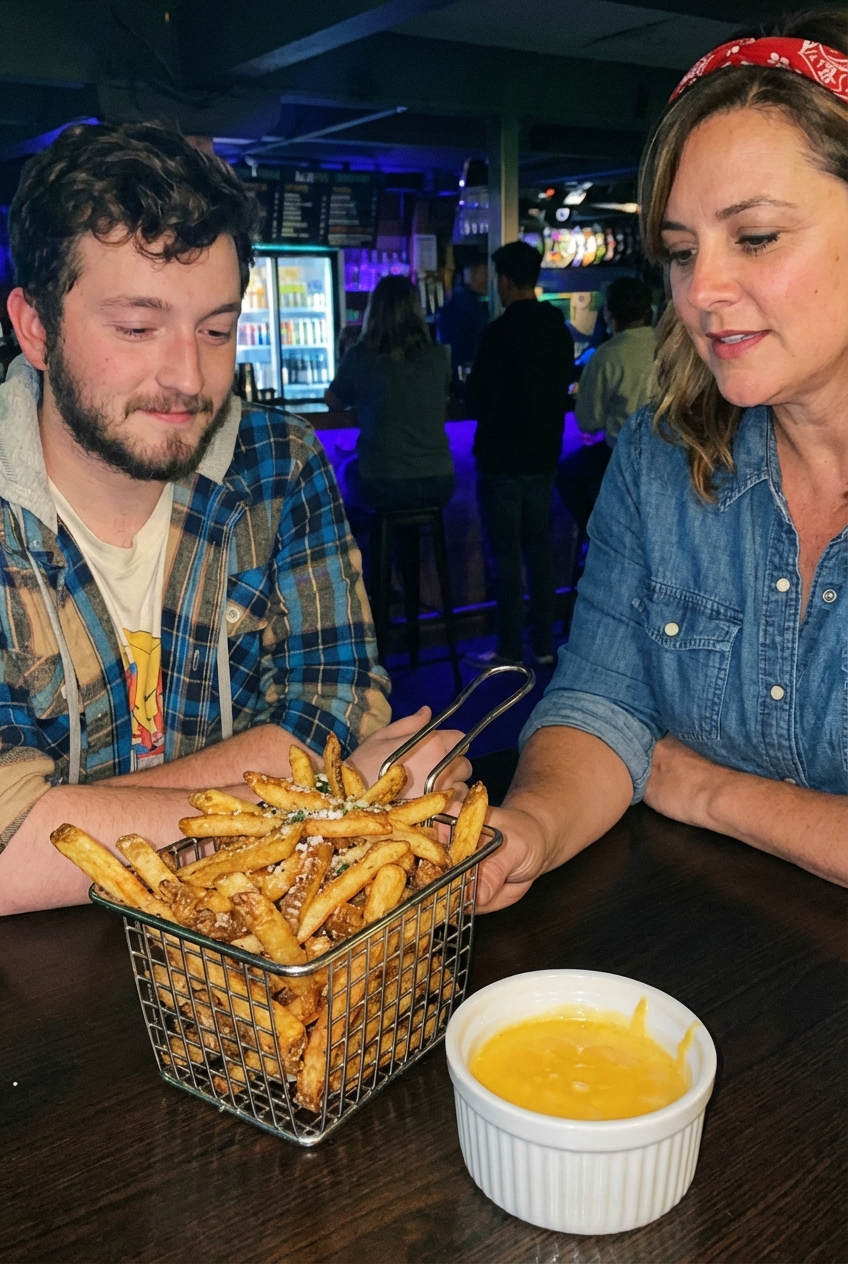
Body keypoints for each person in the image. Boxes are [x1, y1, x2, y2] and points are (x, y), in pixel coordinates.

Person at [0, 123, 469, 916]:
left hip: (253, 958)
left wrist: (69, 814)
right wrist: (329, 801)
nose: (189, 376)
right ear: (36, 328)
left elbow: (342, 705)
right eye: (138, 328)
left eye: (216, 329)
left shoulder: (278, 463)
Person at [477, 10, 848, 911]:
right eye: (681, 252)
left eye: (754, 237)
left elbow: (678, 776)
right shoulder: (661, 455)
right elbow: (602, 702)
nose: (700, 291)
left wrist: (714, 792)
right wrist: (525, 831)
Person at [466, 240, 575, 668]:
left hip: (502, 459)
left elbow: (477, 398)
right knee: (540, 552)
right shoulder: (557, 329)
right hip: (544, 456)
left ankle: (509, 647)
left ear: (506, 281)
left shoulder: (499, 332)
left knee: (507, 558)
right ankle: (544, 643)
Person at [325, 275, 454, 514]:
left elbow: (333, 402)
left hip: (383, 484)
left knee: (344, 471)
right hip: (439, 481)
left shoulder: (359, 356)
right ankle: (400, 536)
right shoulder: (439, 356)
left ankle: (377, 536)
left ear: (373, 311)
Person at [556, 277, 656, 540]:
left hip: (620, 458)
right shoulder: (667, 347)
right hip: (670, 453)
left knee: (567, 476)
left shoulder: (607, 355)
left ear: (609, 313)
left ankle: (597, 540)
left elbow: (588, 421)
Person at [436, 255, 489, 386]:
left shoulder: (460, 300)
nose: (489, 277)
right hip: (467, 371)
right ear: (476, 273)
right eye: (485, 272)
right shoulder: (467, 303)